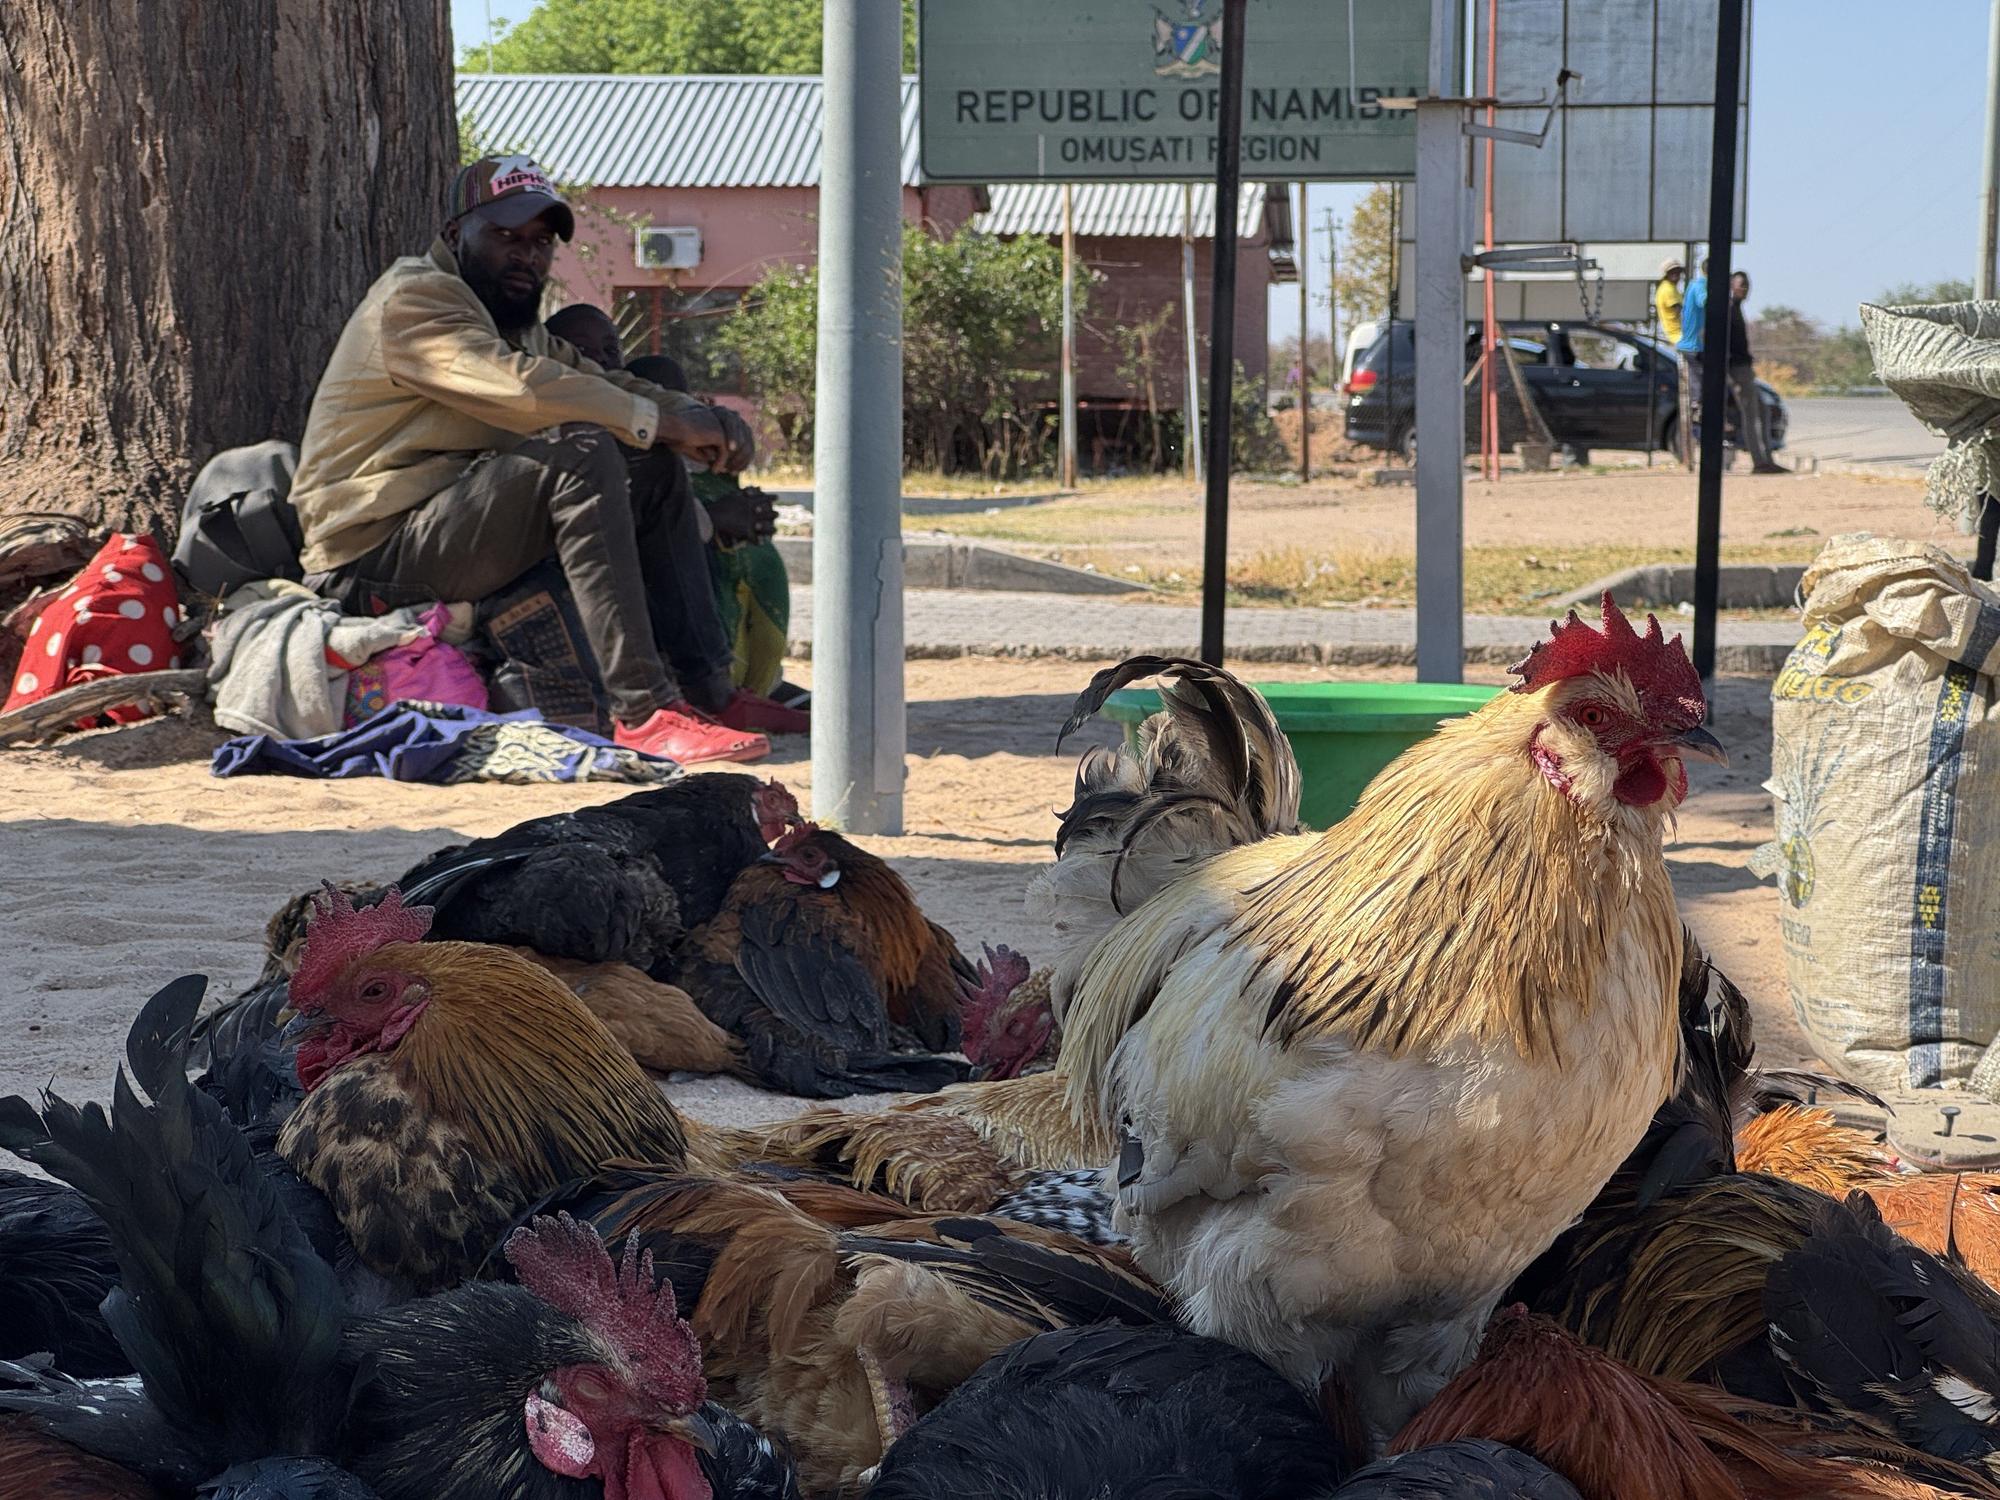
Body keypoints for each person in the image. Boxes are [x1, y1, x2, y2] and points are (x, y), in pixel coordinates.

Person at [290, 156, 797, 766]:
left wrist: (701, 418)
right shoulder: (417, 300)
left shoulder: (517, 326)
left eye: (540, 242)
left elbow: (601, 379)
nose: (525, 255)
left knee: (651, 465)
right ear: (455, 235)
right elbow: (523, 388)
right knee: (583, 450)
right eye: (505, 235)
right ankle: (642, 713)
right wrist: (665, 422)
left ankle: (710, 693)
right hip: (369, 553)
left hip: (448, 529)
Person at [544, 305, 805, 711]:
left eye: (610, 350)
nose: (598, 361)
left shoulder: (637, 408)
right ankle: (705, 686)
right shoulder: (556, 422)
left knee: (658, 376)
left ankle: (748, 684)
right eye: (580, 350)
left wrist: (711, 434)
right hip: (582, 581)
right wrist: (713, 521)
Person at [1727, 271, 1786, 474]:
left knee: (1762, 410)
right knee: (1751, 416)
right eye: (1741, 285)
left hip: (1744, 367)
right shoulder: (1729, 309)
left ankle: (1766, 459)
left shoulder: (1737, 308)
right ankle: (1759, 461)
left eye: (1747, 285)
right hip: (1736, 369)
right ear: (1732, 286)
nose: (1745, 289)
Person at [1653, 258, 1684, 345]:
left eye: (1678, 271)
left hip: (1677, 337)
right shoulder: (1668, 289)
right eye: (1672, 271)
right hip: (1677, 337)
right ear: (1666, 274)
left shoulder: (1670, 287)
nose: (1676, 274)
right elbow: (1681, 312)